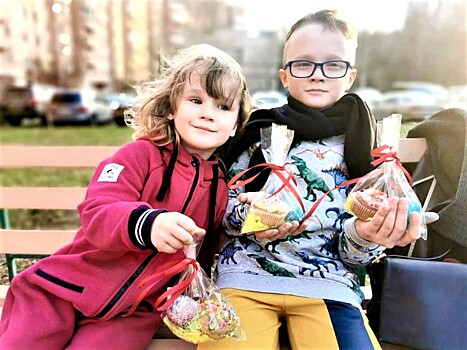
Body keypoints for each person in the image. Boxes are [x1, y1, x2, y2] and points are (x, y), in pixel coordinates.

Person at [199, 10, 437, 350]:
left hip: (329, 285)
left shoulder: (366, 149)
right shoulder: (259, 133)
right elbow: (223, 206)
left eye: (333, 65)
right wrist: (250, 217)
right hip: (245, 278)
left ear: (350, 76)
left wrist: (365, 235)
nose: (318, 76)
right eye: (303, 64)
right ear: (284, 75)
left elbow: (355, 253)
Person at [0, 44, 251, 349]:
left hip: (134, 313)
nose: (207, 114)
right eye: (196, 101)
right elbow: (98, 210)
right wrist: (148, 224)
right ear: (172, 108)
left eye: (223, 107)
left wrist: (246, 218)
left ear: (236, 123)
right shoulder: (140, 155)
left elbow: (202, 254)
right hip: (63, 288)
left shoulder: (219, 187)